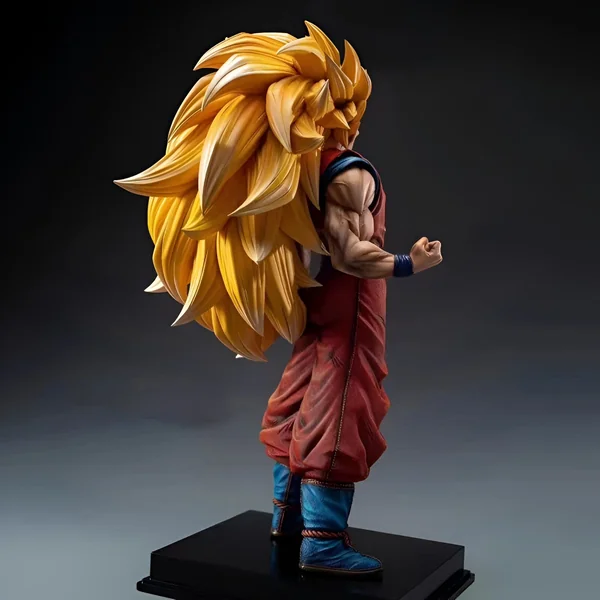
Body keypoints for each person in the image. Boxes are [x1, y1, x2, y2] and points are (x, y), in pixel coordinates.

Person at [114, 21, 443, 577]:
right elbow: (352, 256)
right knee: (341, 412)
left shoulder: (303, 165)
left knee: (296, 407)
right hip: (350, 308)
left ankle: (286, 522)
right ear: (336, 109)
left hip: (318, 307)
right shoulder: (349, 175)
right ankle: (322, 544)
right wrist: (413, 263)